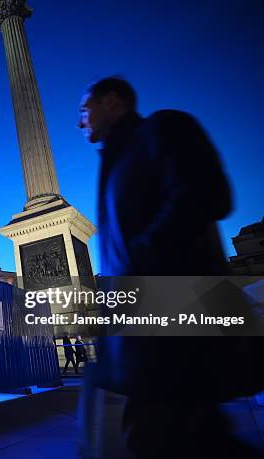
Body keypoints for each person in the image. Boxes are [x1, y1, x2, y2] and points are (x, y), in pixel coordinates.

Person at [78, 76, 263, 458]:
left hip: (178, 318)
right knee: (191, 436)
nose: (82, 121)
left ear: (112, 102)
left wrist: (143, 256)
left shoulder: (162, 128)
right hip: (145, 330)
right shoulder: (116, 164)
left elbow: (209, 193)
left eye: (86, 109)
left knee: (164, 436)